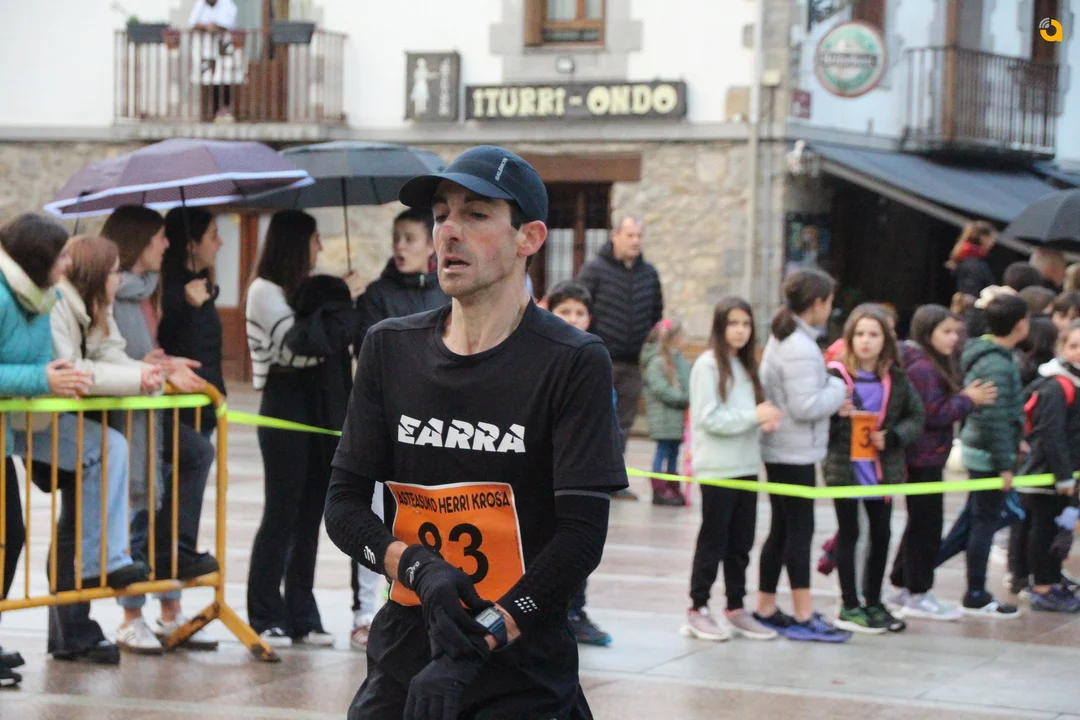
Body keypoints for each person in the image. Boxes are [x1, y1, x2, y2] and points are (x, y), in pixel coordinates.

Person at [324, 146, 627, 719]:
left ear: (529, 237)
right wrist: (417, 567)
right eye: (441, 215)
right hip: (404, 657)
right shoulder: (390, 348)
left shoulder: (572, 360)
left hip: (520, 665)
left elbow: (581, 537)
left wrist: (482, 638)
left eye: (476, 214)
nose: (449, 232)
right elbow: (343, 507)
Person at [1, 214, 144, 666]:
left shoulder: (41, 298)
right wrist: (43, 380)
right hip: (18, 425)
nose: (68, 263)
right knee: (8, 535)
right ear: (38, 257)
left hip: (14, 428)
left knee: (9, 536)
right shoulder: (9, 298)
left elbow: (69, 360)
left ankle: (98, 570)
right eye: (61, 254)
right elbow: (45, 370)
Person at [102, 206, 220, 654]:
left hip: (152, 412)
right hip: (127, 418)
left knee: (177, 480)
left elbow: (146, 350)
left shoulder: (145, 290)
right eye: (158, 238)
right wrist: (155, 364)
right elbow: (113, 354)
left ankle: (171, 605)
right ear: (138, 242)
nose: (166, 244)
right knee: (139, 511)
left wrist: (162, 361)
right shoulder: (115, 292)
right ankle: (131, 615)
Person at [349, 207, 450, 650]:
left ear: (430, 245)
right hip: (388, 425)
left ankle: (432, 601)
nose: (401, 246)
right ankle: (365, 612)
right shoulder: (376, 295)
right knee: (374, 519)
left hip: (438, 426)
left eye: (410, 238)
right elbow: (369, 354)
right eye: (396, 237)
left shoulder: (446, 292)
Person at [245, 210, 339, 649]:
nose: (320, 247)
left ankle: (303, 612)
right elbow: (296, 349)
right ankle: (265, 612)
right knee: (281, 511)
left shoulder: (301, 289)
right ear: (297, 242)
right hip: (282, 400)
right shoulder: (263, 290)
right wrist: (334, 308)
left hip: (315, 402)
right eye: (316, 239)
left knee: (310, 513)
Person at [755, 267, 852, 642]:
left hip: (786, 447)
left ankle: (766, 605)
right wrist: (838, 388)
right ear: (817, 303)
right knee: (798, 530)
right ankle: (802, 612)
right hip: (793, 450)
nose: (830, 309)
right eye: (829, 302)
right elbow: (805, 405)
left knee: (782, 528)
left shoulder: (789, 338)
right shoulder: (799, 347)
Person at [683, 297, 782, 642]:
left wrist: (763, 421)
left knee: (741, 542)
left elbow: (742, 416)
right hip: (718, 469)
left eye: (746, 324)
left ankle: (736, 607)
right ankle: (698, 607)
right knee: (714, 539)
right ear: (720, 327)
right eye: (733, 323)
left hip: (746, 466)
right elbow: (708, 418)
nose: (740, 331)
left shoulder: (746, 365)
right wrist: (754, 416)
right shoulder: (708, 365)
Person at [888, 305, 996, 621]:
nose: (953, 338)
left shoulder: (925, 361)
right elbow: (932, 413)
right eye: (946, 332)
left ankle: (904, 582)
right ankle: (917, 592)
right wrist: (968, 399)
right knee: (926, 525)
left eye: (955, 332)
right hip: (923, 456)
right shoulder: (923, 367)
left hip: (927, 455)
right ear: (927, 332)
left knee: (921, 522)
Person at [824, 305, 925, 634]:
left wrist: (893, 437)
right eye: (860, 334)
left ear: (886, 340)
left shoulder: (896, 377)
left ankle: (873, 600)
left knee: (881, 534)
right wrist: (835, 413)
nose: (866, 341)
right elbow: (814, 418)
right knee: (849, 533)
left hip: (881, 470)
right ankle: (849, 603)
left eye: (873, 334)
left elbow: (916, 416)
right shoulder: (835, 375)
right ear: (849, 338)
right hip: (845, 469)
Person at [936, 292, 1029, 618]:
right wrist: (1005, 464)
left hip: (983, 451)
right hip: (988, 457)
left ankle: (915, 571)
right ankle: (975, 591)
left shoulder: (993, 356)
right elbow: (995, 418)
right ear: (1021, 325)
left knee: (973, 521)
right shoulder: (997, 363)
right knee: (983, 524)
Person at [545, 280, 615, 647]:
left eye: (580, 313)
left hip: (582, 470)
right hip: (547, 469)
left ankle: (575, 611)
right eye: (565, 312)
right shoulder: (539, 357)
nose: (573, 319)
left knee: (580, 542)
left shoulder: (594, 358)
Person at [576, 213, 663, 501]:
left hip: (632, 363)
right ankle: (588, 477)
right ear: (615, 236)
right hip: (601, 360)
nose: (635, 241)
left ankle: (614, 479)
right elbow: (580, 306)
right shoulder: (594, 270)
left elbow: (656, 313)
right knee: (596, 420)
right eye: (630, 235)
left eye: (639, 236)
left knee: (623, 423)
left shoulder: (649, 274)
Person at [1017, 320, 1080, 612]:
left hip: (1066, 476)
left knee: (1060, 528)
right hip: (1048, 475)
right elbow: (1052, 435)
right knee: (1045, 530)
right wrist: (1064, 477)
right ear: (1062, 348)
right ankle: (1042, 587)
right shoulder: (1057, 386)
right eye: (1073, 345)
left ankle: (1052, 579)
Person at [159, 207, 225, 437]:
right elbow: (173, 344)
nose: (220, 243)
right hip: (182, 407)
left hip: (205, 401)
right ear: (191, 245)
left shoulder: (201, 287)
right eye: (213, 236)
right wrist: (187, 307)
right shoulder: (169, 292)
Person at [641, 318, 691, 506]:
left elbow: (688, 382)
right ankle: (659, 487)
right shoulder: (657, 362)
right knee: (662, 452)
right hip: (663, 418)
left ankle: (672, 484)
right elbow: (660, 388)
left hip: (677, 419)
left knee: (674, 453)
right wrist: (682, 397)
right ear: (675, 338)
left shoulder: (681, 361)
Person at [946, 221, 996, 298]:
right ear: (983, 238)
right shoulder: (974, 263)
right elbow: (972, 292)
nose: (993, 242)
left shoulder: (964, 257)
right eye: (991, 238)